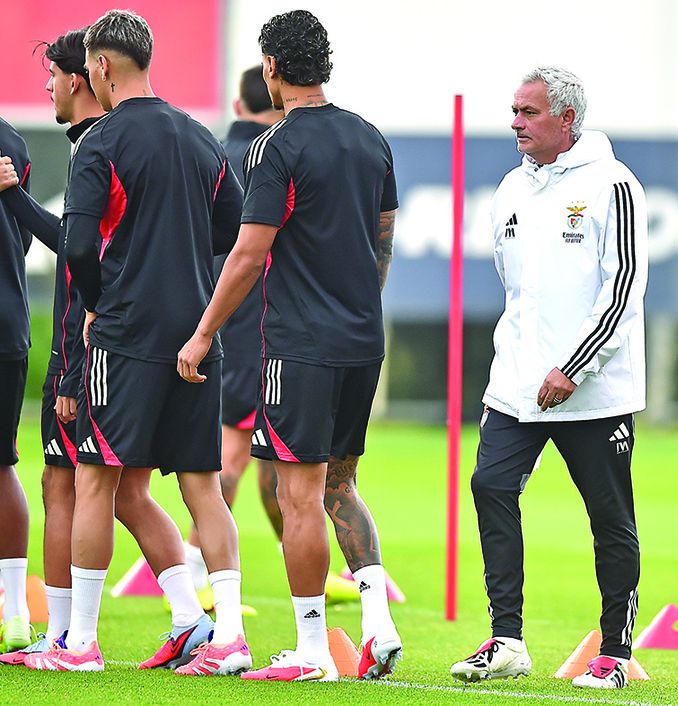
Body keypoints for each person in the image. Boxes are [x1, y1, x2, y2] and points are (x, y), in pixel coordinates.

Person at [178, 9, 401, 682]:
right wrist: (356, 307)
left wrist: (204, 332)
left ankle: (310, 653)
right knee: (340, 484)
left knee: (298, 494)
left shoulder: (275, 146)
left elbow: (248, 254)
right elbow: (382, 241)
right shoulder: (370, 138)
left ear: (271, 67)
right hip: (363, 340)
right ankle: (379, 624)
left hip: (300, 346)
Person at [25, 10, 250, 674]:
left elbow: (76, 246)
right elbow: (233, 230)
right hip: (195, 337)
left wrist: (101, 301)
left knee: (95, 480)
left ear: (100, 66)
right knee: (203, 488)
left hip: (123, 336)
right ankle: (228, 635)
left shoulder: (101, 142)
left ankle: (80, 644)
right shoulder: (201, 138)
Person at [449, 67, 648, 690]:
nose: (516, 123)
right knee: (489, 485)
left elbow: (624, 288)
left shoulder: (614, 184)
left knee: (609, 517)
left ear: (566, 119)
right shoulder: (511, 186)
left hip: (592, 391)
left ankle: (614, 653)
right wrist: (520, 362)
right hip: (516, 386)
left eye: (528, 112)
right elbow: (514, 288)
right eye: (514, 111)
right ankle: (507, 640)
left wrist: (574, 365)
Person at [183, 66, 283, 595]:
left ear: (239, 106)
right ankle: (194, 567)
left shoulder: (216, 153)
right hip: (259, 322)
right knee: (243, 454)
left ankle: (195, 567)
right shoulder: (278, 154)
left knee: (247, 451)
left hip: (213, 314)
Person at [0, 118, 32, 657]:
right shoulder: (12, 139)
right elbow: (22, 237)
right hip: (9, 324)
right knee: (2, 465)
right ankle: (17, 611)